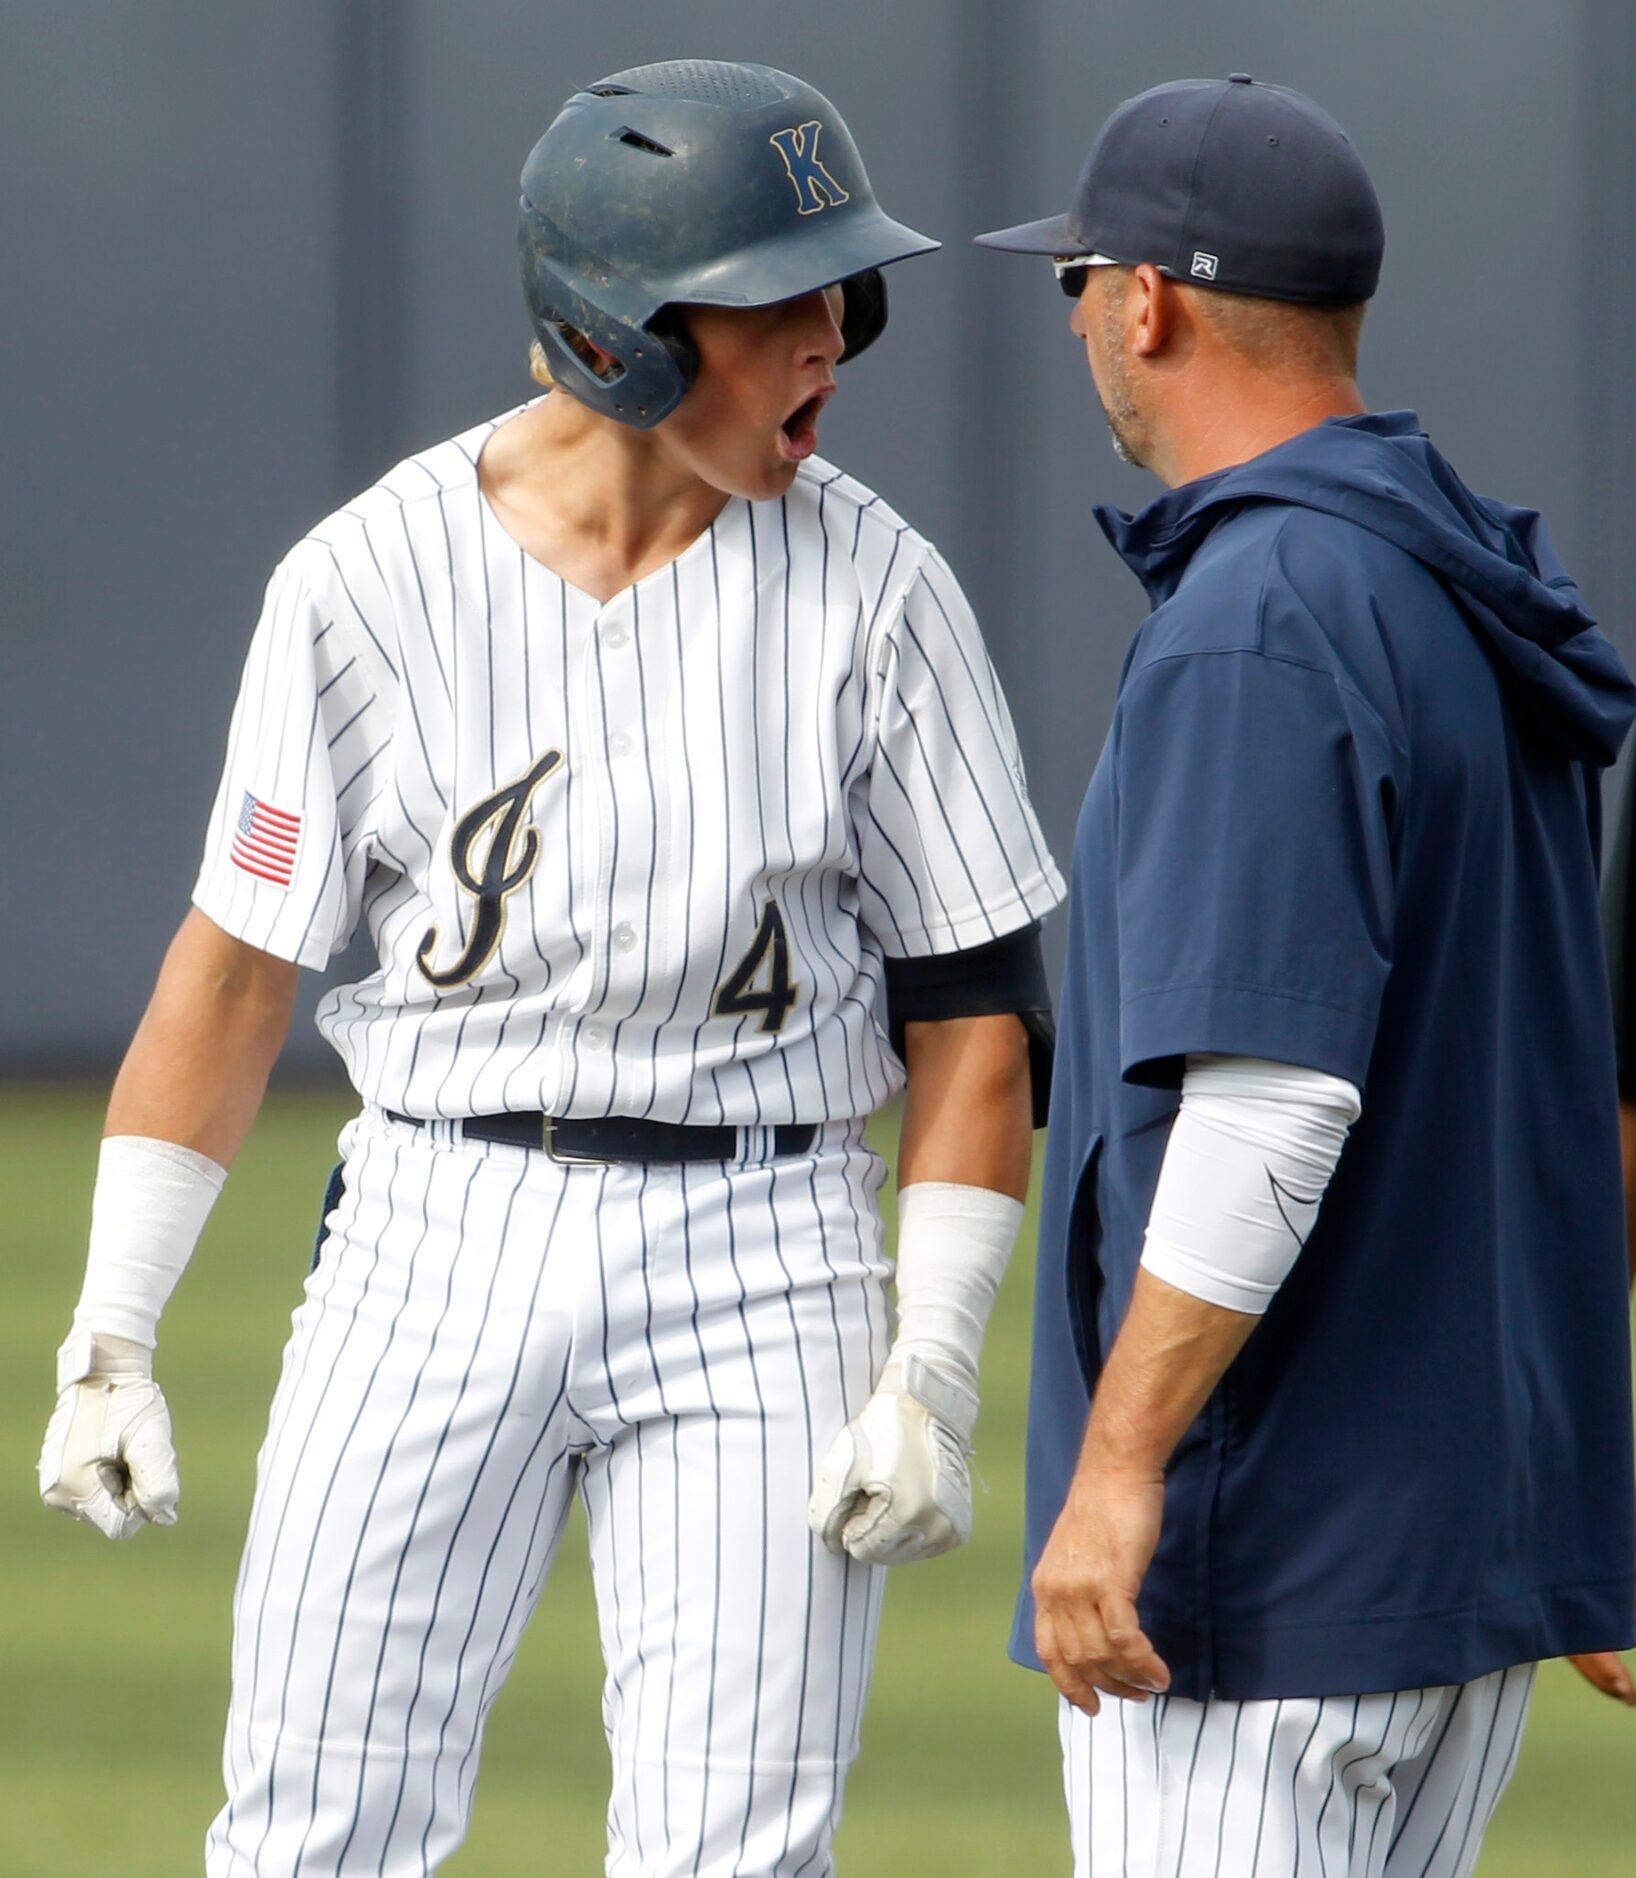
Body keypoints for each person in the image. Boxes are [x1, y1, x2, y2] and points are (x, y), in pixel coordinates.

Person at [37, 60, 1064, 1875]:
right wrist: (111, 1326)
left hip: (766, 1248)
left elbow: (977, 1012)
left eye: (844, 290)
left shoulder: (883, 594)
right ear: (620, 339)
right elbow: (232, 969)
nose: (835, 334)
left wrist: (935, 1365)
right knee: (313, 1829)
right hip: (435, 1228)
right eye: (780, 299)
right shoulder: (362, 582)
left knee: (734, 1852)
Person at [977, 73, 1636, 1876]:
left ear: (1150, 300)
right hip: (1451, 1556)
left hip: (1267, 1565)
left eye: (1077, 283)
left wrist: (1121, 1478)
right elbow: (1548, 1092)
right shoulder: (1458, 586)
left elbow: (1271, 1100)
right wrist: (1554, 1477)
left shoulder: (1261, 617)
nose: (1081, 323)